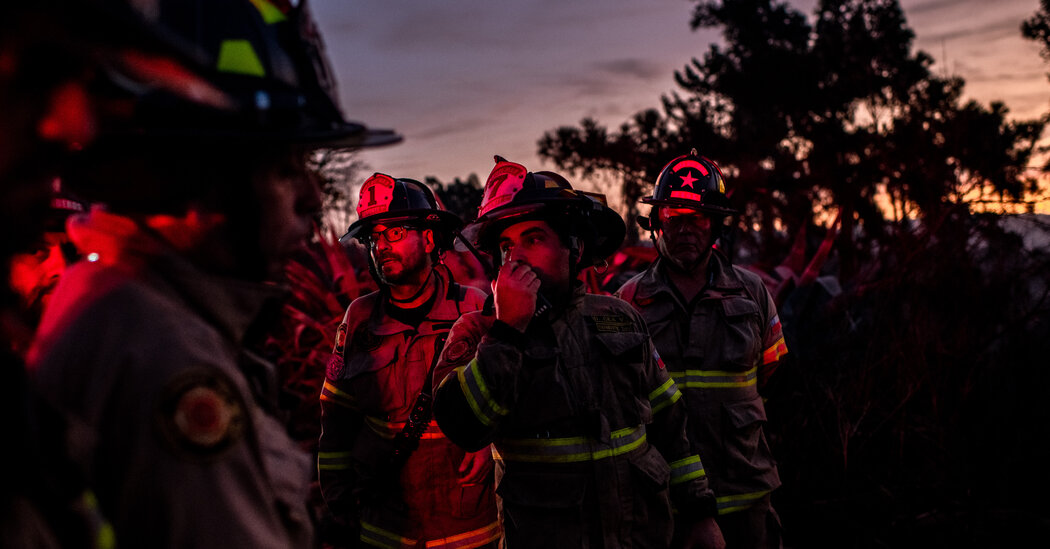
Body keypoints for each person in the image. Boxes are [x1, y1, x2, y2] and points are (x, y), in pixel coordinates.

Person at [27, 0, 400, 547]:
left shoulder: (122, 307)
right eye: (282, 168)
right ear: (201, 179)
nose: (312, 198)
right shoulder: (163, 356)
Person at [432, 156, 725, 549]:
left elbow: (671, 426)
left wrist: (699, 514)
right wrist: (508, 332)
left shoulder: (620, 317)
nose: (515, 257)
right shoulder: (479, 331)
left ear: (574, 247)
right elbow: (463, 426)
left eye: (533, 239)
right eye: (506, 246)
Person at [615, 150, 788, 549]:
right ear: (656, 223)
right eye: (673, 216)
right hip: (663, 505)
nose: (685, 228)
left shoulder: (753, 293)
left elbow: (772, 373)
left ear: (715, 226)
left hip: (745, 497)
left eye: (698, 217)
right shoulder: (628, 301)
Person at [318, 173, 499, 548]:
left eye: (395, 233)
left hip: (468, 529)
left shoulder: (477, 309)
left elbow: (515, 398)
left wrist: (488, 445)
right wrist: (338, 505)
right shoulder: (357, 320)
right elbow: (336, 421)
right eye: (374, 236)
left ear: (430, 237)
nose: (381, 245)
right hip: (386, 530)